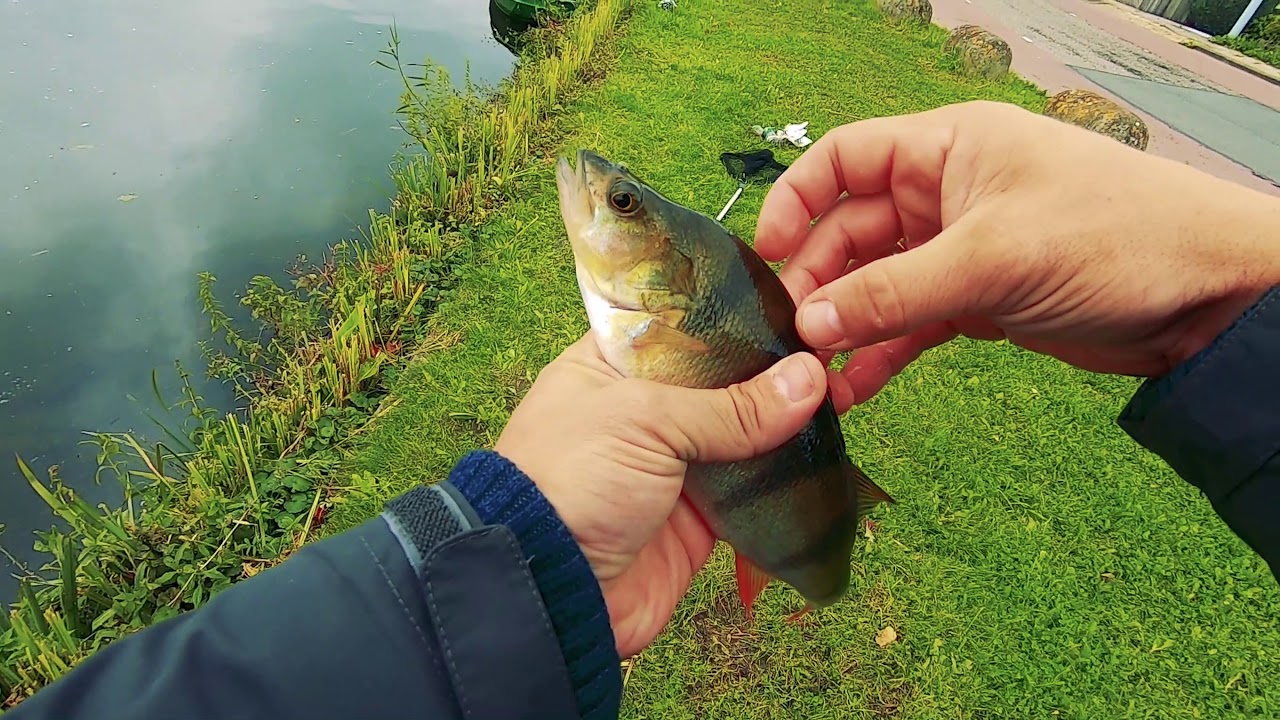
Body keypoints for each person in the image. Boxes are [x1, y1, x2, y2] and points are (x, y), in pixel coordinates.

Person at [8, 100, 1278, 720]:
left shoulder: (686, 308)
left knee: (793, 514)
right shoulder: (663, 310)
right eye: (623, 201)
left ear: (665, 271)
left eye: (623, 208)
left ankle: (806, 546)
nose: (599, 196)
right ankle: (797, 545)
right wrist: (1226, 300)